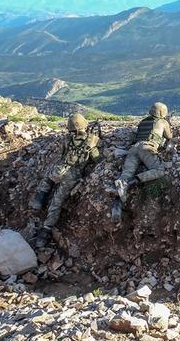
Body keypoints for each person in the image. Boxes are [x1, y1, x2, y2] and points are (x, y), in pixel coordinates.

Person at [31, 114, 100, 247]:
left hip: (60, 169)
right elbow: (97, 159)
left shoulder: (67, 139)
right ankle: (45, 232)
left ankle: (40, 198)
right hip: (72, 174)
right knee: (57, 202)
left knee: (47, 179)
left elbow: (62, 155)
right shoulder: (92, 140)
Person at [111, 102, 172, 220]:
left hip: (133, 149)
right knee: (160, 170)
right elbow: (169, 136)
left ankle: (116, 206)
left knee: (125, 174)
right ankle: (129, 182)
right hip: (147, 148)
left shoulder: (143, 122)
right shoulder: (163, 122)